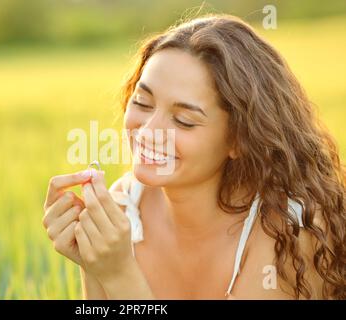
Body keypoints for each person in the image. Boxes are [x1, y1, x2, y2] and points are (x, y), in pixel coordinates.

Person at [43, 14, 345, 299]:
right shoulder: (125, 207)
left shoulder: (288, 231)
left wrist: (119, 274)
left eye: (183, 120)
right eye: (143, 102)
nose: (148, 132)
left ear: (240, 139)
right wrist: (93, 263)